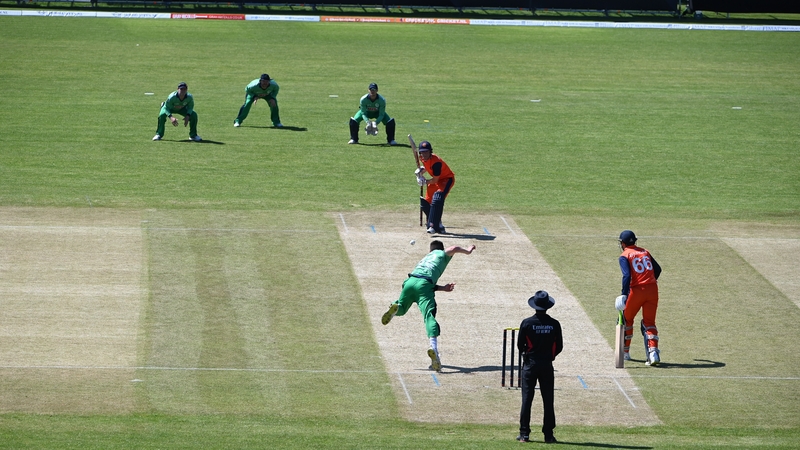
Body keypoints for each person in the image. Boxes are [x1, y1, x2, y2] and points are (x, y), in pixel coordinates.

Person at [380, 240, 476, 372]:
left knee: (401, 309)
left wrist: (443, 288)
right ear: (440, 249)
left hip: (410, 282)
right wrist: (468, 250)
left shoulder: (426, 258)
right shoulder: (441, 254)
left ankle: (394, 306)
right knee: (429, 316)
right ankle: (433, 348)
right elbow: (453, 248)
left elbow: (425, 281)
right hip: (424, 286)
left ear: (430, 250)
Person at [517, 290, 563, 444]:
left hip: (530, 365)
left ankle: (524, 434)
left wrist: (529, 355)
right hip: (546, 365)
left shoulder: (527, 323)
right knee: (548, 400)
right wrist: (550, 357)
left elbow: (520, 345)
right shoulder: (554, 324)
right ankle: (548, 435)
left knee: (527, 399)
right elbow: (559, 346)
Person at [615, 230, 662, 366]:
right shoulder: (645, 252)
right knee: (649, 322)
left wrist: (624, 294)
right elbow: (658, 269)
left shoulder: (624, 255)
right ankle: (653, 354)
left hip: (637, 291)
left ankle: (625, 352)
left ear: (623, 243)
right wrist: (648, 281)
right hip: (653, 289)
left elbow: (627, 276)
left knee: (626, 319)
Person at [417, 141, 455, 234]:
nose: (424, 154)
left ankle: (433, 225)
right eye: (422, 152)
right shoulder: (422, 158)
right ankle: (438, 223)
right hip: (437, 179)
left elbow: (435, 180)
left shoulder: (436, 163)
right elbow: (427, 166)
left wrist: (424, 181)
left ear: (430, 151)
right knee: (426, 203)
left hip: (446, 179)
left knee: (437, 198)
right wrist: (420, 172)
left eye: (426, 152)